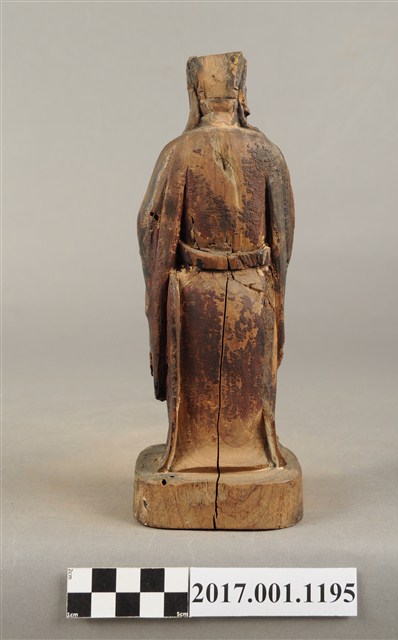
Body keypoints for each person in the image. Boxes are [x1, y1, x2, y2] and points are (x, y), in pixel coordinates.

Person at [138, 52, 295, 474]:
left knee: (199, 390)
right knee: (240, 389)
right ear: (241, 94)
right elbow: (282, 238)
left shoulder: (179, 152)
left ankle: (197, 456)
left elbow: (151, 223)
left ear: (195, 94)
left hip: (194, 297)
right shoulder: (267, 153)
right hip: (253, 293)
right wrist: (274, 293)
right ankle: (255, 456)